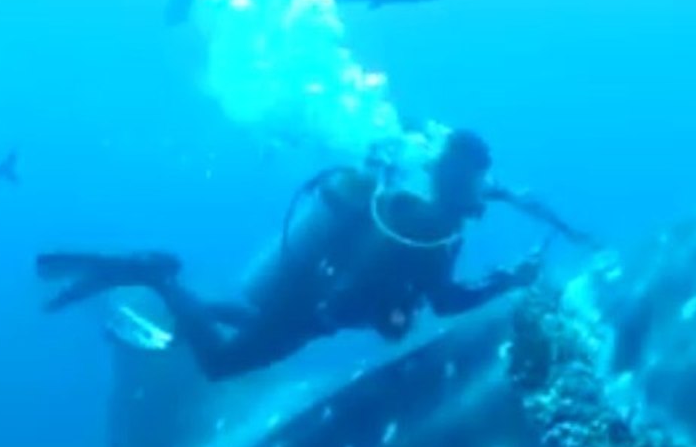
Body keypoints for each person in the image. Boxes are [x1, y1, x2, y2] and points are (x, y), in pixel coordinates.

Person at [36, 129, 592, 382]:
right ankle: (155, 277)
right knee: (222, 364)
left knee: (238, 318)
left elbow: (511, 194)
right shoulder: (434, 231)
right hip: (314, 310)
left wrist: (549, 218)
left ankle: (175, 306)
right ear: (456, 183)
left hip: (303, 283)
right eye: (479, 183)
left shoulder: (412, 199)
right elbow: (444, 302)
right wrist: (509, 278)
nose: (485, 191)